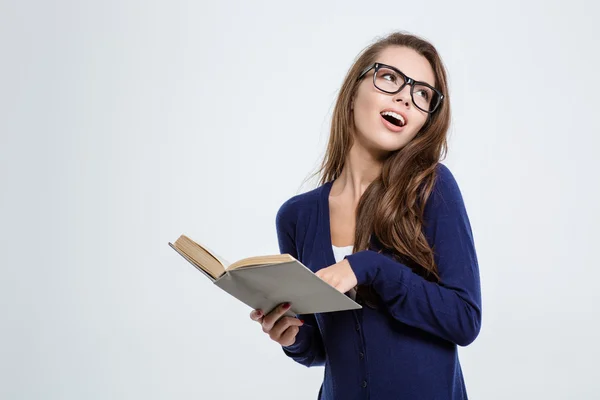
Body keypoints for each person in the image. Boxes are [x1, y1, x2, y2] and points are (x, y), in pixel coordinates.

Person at [249, 31, 482, 399]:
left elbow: (464, 320)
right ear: (353, 92)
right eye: (389, 77)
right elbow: (323, 349)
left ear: (425, 120)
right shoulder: (296, 216)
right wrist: (291, 337)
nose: (405, 96)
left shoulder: (431, 187)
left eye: (422, 93)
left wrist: (370, 267)